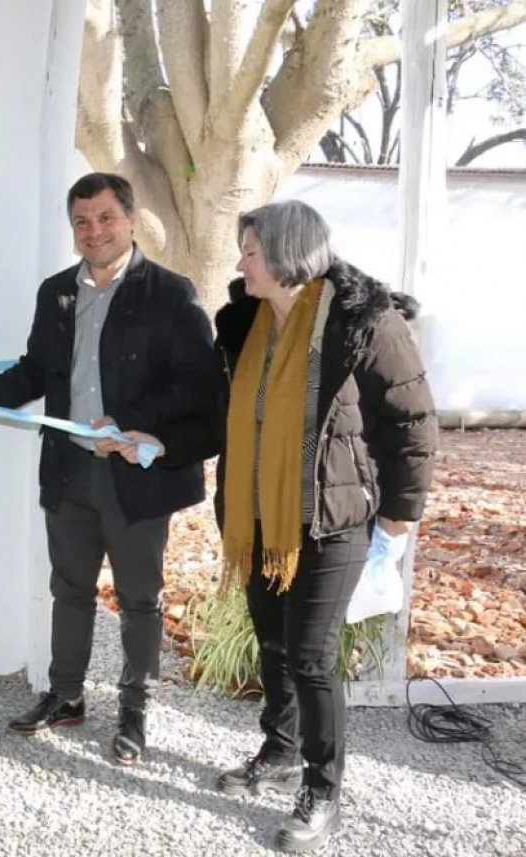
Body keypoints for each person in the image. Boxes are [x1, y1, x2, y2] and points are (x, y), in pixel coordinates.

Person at [0, 172, 218, 765]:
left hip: (137, 475)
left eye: (106, 218)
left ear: (132, 220)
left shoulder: (171, 292)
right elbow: (35, 372)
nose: (94, 232)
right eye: (82, 222)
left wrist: (131, 424)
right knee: (69, 589)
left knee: (140, 598)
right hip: (69, 471)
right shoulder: (56, 292)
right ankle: (66, 696)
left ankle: (135, 711)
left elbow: (196, 387)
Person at [211, 200, 436, 853]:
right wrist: (148, 440)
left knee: (310, 655)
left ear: (284, 256)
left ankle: (322, 786)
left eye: (249, 252)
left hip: (331, 521)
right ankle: (279, 749)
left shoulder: (366, 323)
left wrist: (396, 524)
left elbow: (413, 424)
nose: (239, 263)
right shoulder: (248, 321)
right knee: (274, 644)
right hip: (257, 517)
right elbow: (215, 411)